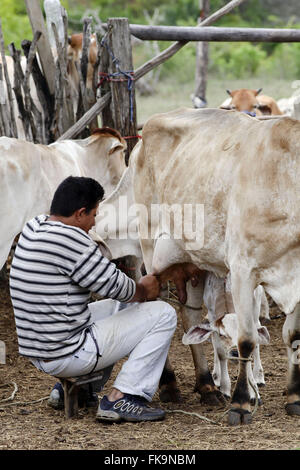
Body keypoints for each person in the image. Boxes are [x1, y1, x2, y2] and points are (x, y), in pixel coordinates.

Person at [9, 176, 177, 423]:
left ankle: (79, 388)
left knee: (119, 308)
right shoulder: (72, 240)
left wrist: (133, 296)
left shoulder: (34, 226)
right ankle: (124, 397)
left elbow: (116, 296)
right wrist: (145, 289)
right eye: (93, 215)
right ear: (79, 213)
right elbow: (120, 287)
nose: (94, 223)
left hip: (39, 349)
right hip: (66, 353)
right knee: (163, 313)